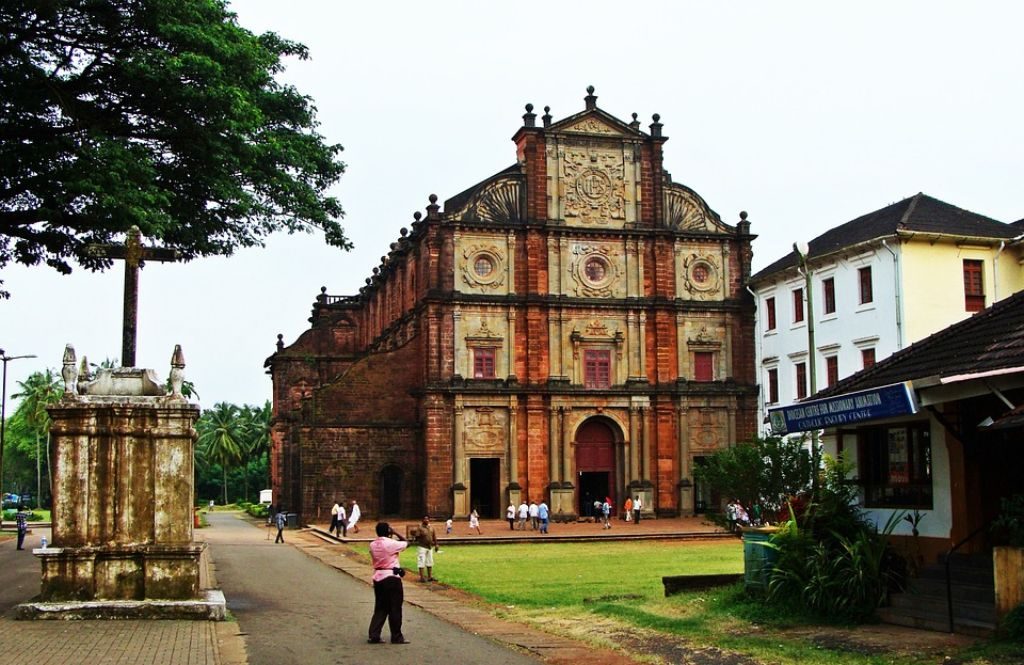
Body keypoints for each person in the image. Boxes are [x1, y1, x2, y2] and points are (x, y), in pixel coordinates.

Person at [367, 522, 410, 644]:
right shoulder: (391, 544)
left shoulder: (372, 545)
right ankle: (396, 636)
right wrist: (395, 532)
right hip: (391, 577)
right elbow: (407, 543)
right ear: (388, 531)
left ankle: (374, 634)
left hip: (378, 577)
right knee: (395, 608)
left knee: (380, 607)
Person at [412, 516, 438, 582]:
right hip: (422, 547)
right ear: (422, 520)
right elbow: (416, 537)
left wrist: (436, 544)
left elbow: (434, 537)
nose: (426, 520)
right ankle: (422, 577)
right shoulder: (420, 528)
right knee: (421, 561)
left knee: (430, 561)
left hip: (430, 547)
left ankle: (429, 576)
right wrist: (416, 534)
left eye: (427, 519)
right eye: (425, 519)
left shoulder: (431, 528)